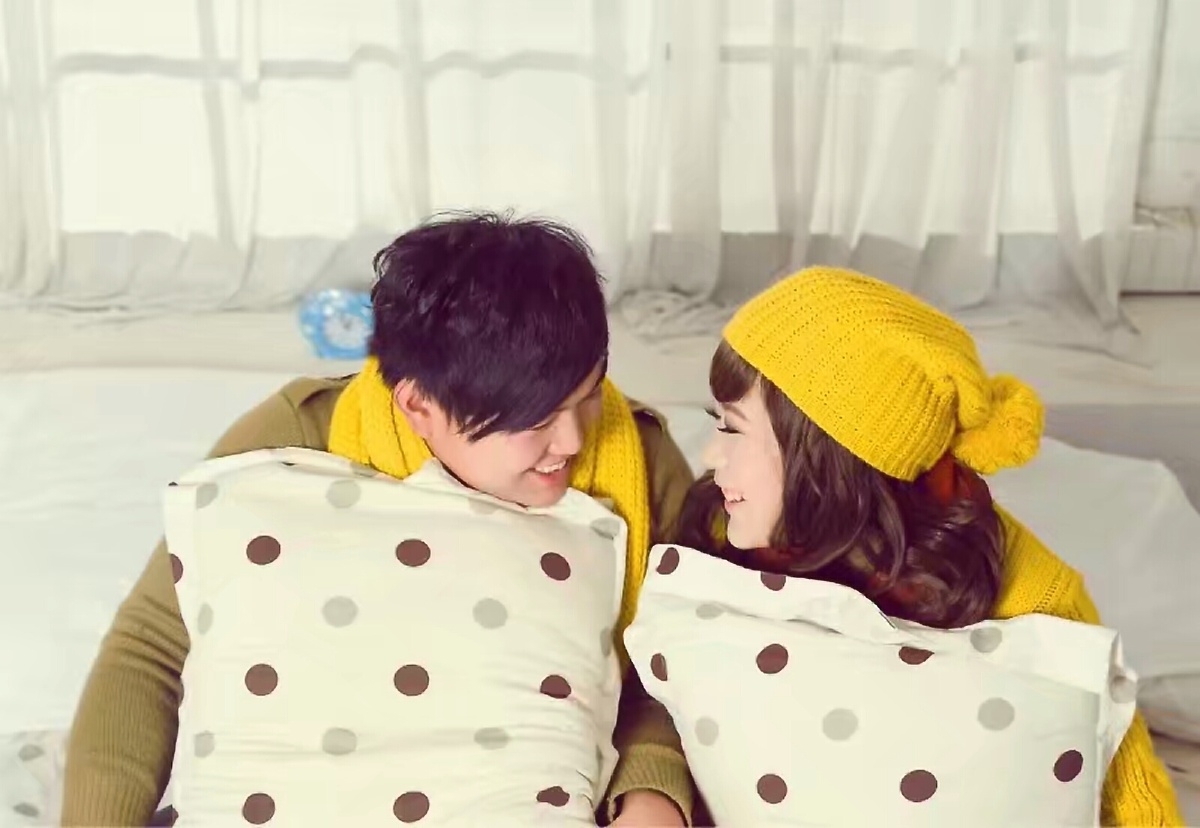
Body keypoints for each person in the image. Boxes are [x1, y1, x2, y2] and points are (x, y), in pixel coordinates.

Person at [63, 212, 693, 827]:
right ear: (419, 405)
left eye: (588, 394)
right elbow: (149, 648)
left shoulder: (640, 461)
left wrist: (652, 789)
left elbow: (679, 664)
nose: (575, 439)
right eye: (536, 421)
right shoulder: (291, 447)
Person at [673, 266, 1183, 826]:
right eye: (715, 421)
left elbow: (1126, 783)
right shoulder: (716, 536)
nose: (711, 456)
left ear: (826, 457)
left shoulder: (1028, 592)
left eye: (733, 428)